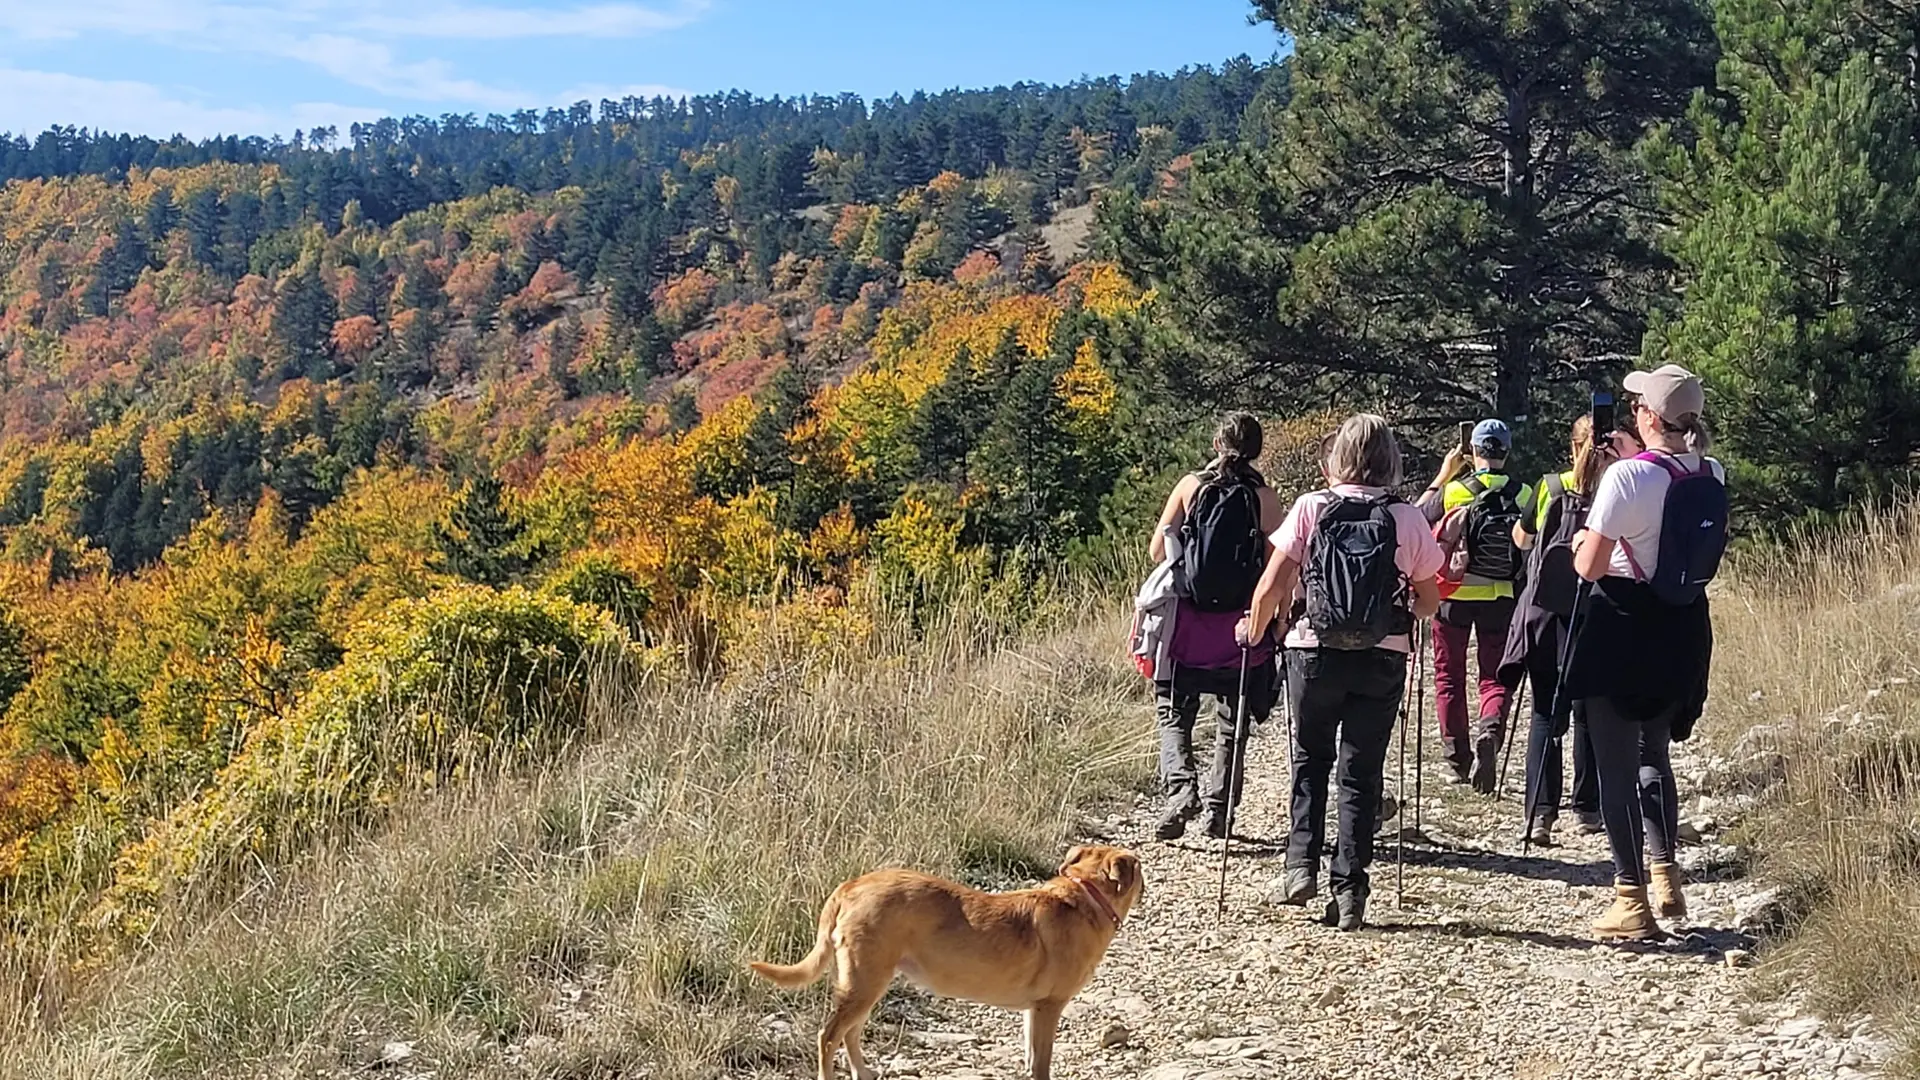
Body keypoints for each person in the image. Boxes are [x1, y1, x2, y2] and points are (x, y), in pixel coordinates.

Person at [1237, 414, 1442, 930]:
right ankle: (1350, 893)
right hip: (1383, 655)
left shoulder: (1312, 507)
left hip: (1314, 651)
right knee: (1361, 772)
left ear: (1337, 458)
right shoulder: (1407, 516)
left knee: (1309, 761)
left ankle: (1300, 866)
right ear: (1390, 460)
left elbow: (1270, 589)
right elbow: (1428, 601)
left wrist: (1255, 632)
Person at [1563, 364, 1723, 941]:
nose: (1632, 412)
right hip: (1682, 624)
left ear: (1650, 417)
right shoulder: (1712, 472)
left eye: (1638, 406)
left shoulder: (1627, 478)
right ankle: (1666, 875)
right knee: (1655, 752)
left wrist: (1583, 537)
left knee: (1613, 764)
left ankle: (1631, 898)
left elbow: (1590, 566)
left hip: (1623, 622)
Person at [1498, 415, 1633, 846]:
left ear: (1573, 447)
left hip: (1545, 615)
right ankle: (1588, 807)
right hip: (1599, 613)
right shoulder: (1620, 489)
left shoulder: (1548, 487)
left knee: (1544, 714)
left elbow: (1521, 539)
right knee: (1590, 713)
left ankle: (1540, 812)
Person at [1148, 412, 1284, 841]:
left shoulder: (1191, 487)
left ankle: (1180, 788)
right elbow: (1277, 567)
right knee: (1233, 723)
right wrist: (1277, 621)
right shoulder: (1266, 498)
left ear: (1215, 444)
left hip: (1189, 626)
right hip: (1241, 630)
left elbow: (1157, 551)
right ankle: (1219, 813)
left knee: (1173, 712)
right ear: (1257, 450)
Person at [1418, 420, 1533, 792]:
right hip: (1501, 595)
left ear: (1474, 451)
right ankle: (1491, 729)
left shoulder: (1453, 492)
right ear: (1506, 451)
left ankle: (1457, 757)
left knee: (1448, 674)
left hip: (1451, 594)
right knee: (1494, 674)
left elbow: (1418, 518)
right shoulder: (1525, 493)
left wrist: (1443, 474)